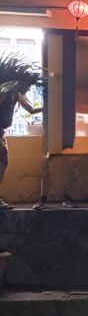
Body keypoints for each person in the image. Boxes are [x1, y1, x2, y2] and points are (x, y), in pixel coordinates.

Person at [0, 56, 43, 209]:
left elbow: (31, 110)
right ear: (19, 82)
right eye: (27, 86)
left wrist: (49, 106)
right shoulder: (5, 91)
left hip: (1, 134)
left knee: (3, 163)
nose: (28, 89)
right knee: (2, 163)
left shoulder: (17, 95)